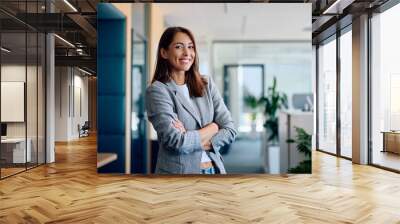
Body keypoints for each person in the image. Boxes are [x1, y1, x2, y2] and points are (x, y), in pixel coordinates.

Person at [145, 26, 237, 174]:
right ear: (164, 52)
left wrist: (190, 137)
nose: (187, 53)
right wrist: (212, 128)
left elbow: (230, 129)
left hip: (215, 170)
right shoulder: (157, 90)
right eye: (179, 47)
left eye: (190, 47)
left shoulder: (207, 84)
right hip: (179, 175)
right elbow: (177, 142)